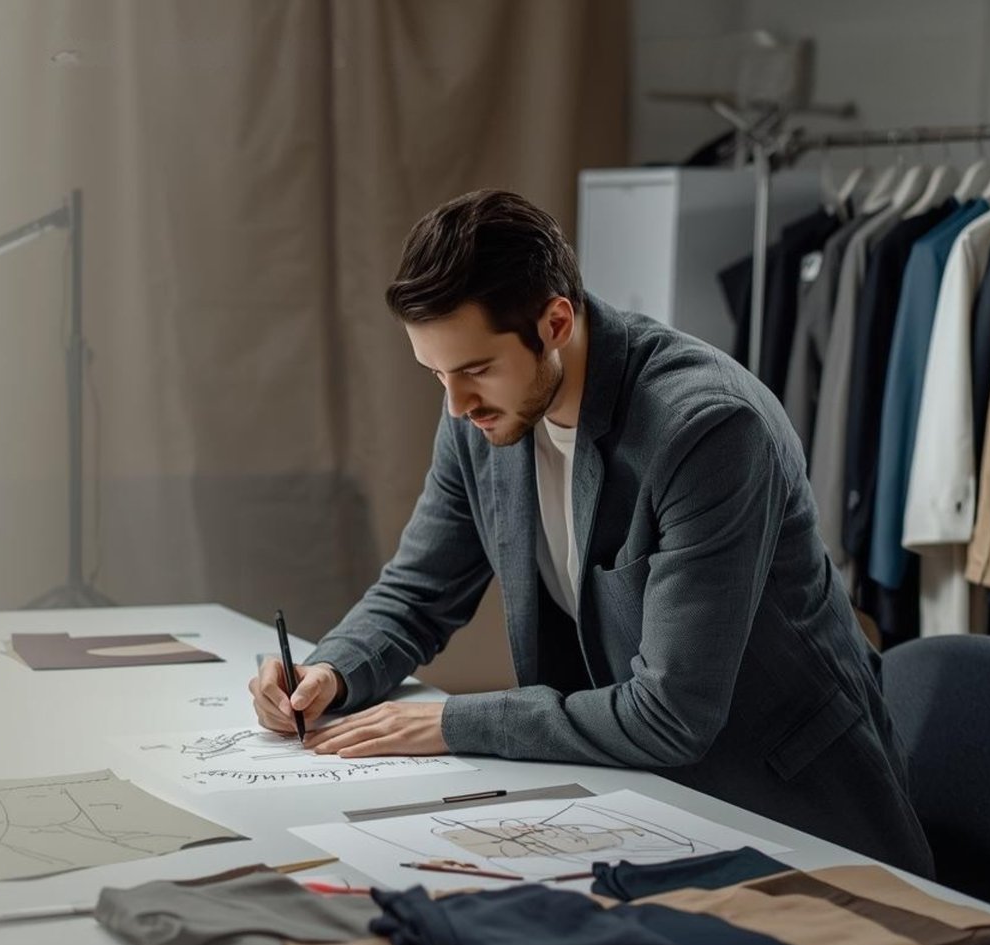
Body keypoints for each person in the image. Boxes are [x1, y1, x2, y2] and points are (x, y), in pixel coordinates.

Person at [248, 190, 933, 874]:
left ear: (555, 322)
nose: (456, 405)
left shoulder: (707, 429)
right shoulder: (479, 415)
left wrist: (453, 722)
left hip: (796, 822)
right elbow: (417, 591)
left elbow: (672, 711)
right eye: (437, 374)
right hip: (630, 809)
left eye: (475, 369)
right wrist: (329, 672)